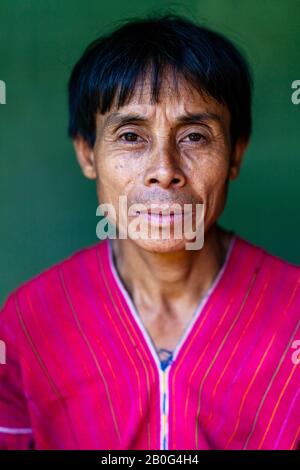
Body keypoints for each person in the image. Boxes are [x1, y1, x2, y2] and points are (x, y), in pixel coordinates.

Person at [0, 14, 299, 450]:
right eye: (131, 136)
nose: (164, 171)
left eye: (195, 136)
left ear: (235, 153)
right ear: (87, 154)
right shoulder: (31, 321)